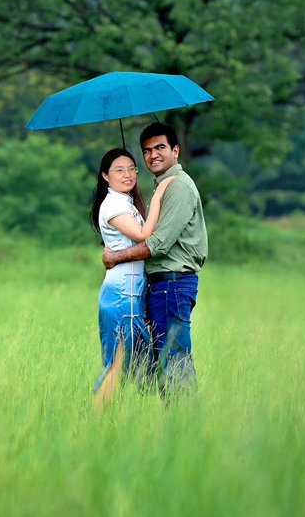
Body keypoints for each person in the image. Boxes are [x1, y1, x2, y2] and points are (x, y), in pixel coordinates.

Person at [101, 122, 207, 395]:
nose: (152, 155)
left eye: (160, 147)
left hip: (172, 283)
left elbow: (157, 244)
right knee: (162, 364)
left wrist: (116, 257)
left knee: (174, 362)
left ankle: (184, 428)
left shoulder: (177, 187)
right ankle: (174, 428)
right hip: (161, 286)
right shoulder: (160, 187)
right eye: (146, 150)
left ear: (175, 150)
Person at [90, 147, 174, 403]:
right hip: (121, 296)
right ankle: (93, 422)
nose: (127, 174)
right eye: (119, 170)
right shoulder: (114, 203)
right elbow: (143, 235)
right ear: (105, 176)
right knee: (117, 365)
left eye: (131, 168)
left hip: (130, 295)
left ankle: (106, 422)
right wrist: (159, 193)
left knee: (128, 365)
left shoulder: (125, 201)